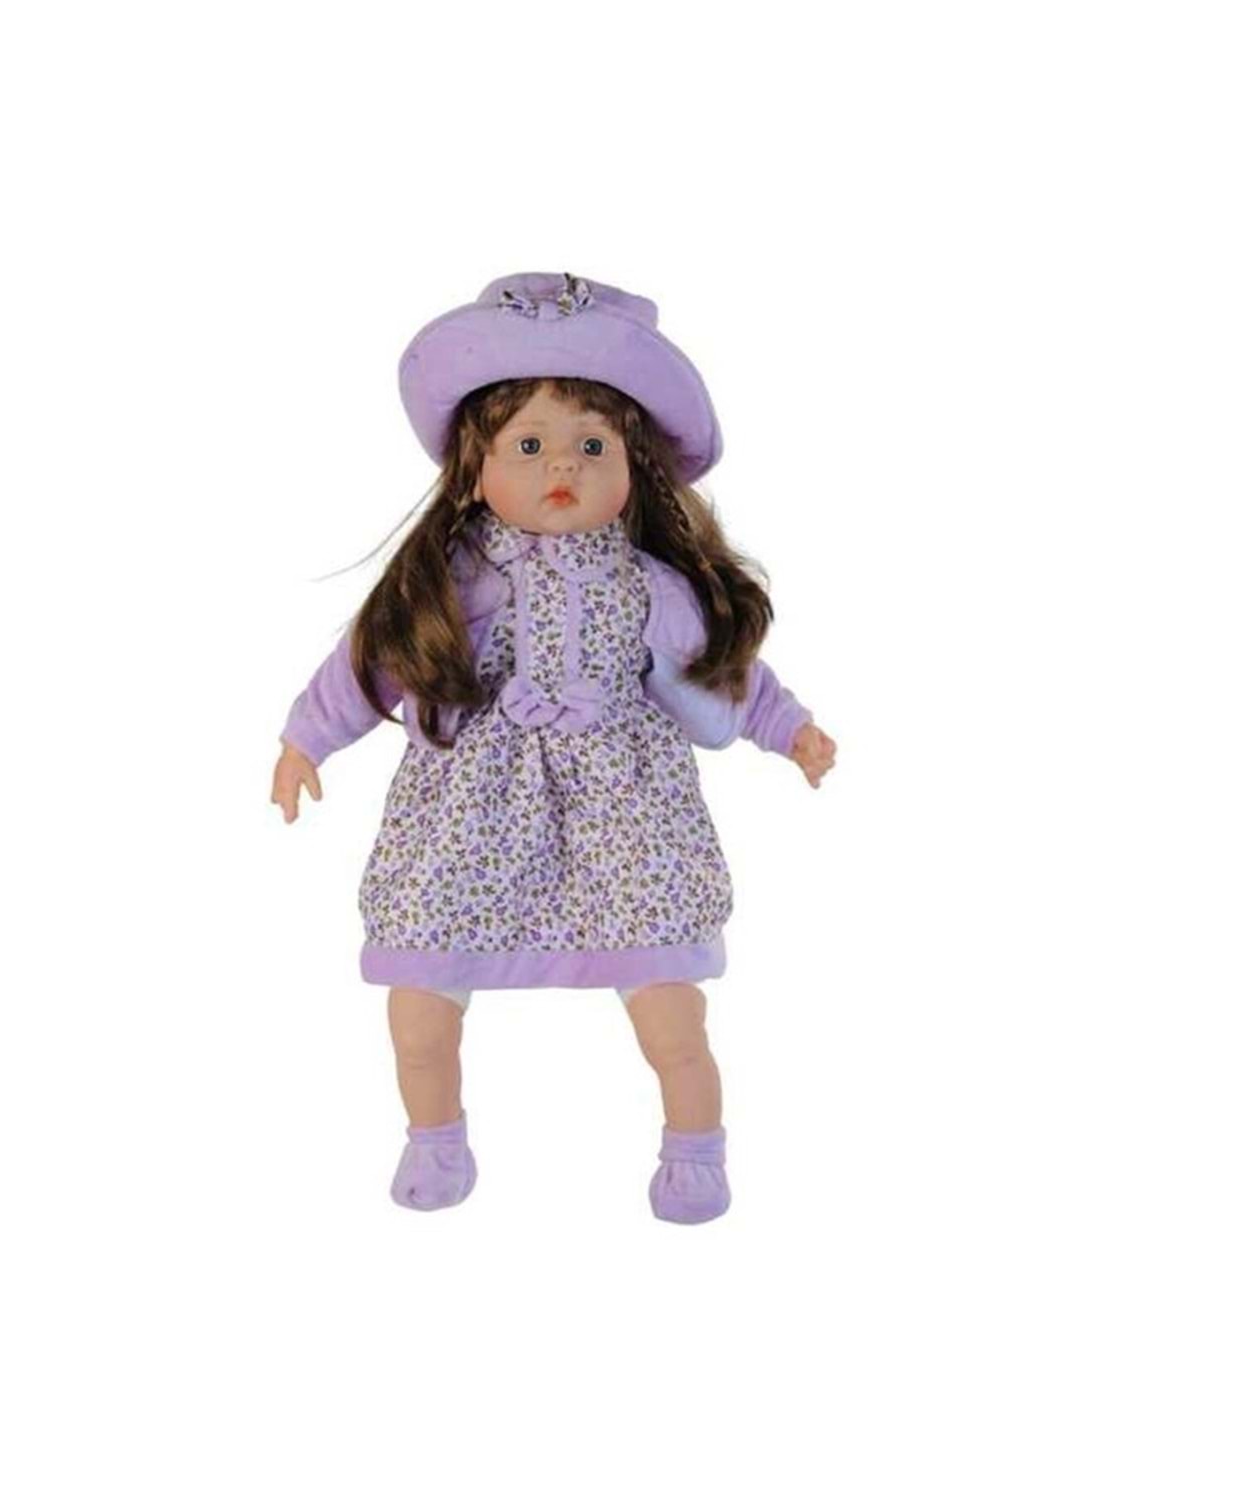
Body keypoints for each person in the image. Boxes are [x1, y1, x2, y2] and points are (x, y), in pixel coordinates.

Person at [270, 271, 837, 1223]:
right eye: (527, 445)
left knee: (673, 1011)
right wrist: (306, 740)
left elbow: (727, 672)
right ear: (473, 467)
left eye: (591, 444)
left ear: (635, 466)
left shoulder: (651, 586)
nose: (559, 466)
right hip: (471, 822)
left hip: (625, 820)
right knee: (417, 1002)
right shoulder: (451, 580)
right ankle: (434, 1138)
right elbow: (371, 660)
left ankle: (695, 1152)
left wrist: (791, 731)